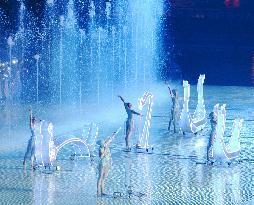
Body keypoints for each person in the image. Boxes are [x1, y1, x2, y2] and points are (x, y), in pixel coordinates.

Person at [97, 131, 117, 196]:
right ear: (102, 144)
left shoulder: (106, 145)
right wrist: (105, 150)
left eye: (105, 142)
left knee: (104, 177)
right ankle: (98, 192)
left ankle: (102, 192)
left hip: (108, 163)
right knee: (100, 177)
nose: (106, 142)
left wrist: (113, 134)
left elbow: (110, 139)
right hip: (102, 164)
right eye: (104, 143)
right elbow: (101, 156)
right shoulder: (101, 148)